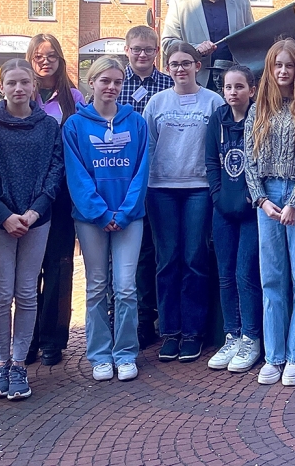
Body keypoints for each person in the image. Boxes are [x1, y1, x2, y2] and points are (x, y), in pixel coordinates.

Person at [0, 59, 64, 399]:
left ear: (33, 86)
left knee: (27, 293)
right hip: (0, 221)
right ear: (1, 85)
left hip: (36, 220)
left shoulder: (47, 126)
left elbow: (54, 171)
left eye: (24, 82)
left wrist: (33, 212)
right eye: (11, 82)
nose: (18, 88)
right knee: (2, 295)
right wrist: (4, 214)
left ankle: (18, 363)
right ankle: (1, 363)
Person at [64, 56, 150, 383]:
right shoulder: (75, 125)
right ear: (92, 82)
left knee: (126, 288)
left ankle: (125, 352)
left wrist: (124, 212)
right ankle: (100, 354)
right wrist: (100, 212)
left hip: (130, 217)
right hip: (91, 219)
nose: (111, 87)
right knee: (97, 286)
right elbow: (78, 175)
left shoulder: (136, 122)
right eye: (105, 81)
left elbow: (142, 171)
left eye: (117, 82)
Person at [244, 39, 295, 387]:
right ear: (269, 70)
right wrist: (261, 199)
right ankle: (274, 355)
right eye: (277, 65)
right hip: (267, 198)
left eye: (289, 66)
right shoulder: (257, 108)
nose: (283, 71)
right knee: (271, 278)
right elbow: (248, 158)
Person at [143, 42, 224, 363]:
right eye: (174, 64)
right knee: (167, 261)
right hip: (161, 189)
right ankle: (170, 332)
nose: (180, 69)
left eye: (186, 63)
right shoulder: (157, 102)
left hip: (198, 189)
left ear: (197, 66)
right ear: (168, 67)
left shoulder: (213, 101)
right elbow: (147, 148)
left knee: (194, 258)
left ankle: (192, 332)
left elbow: (221, 147)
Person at [24, 34, 84, 367]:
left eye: (52, 56)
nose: (45, 61)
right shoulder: (21, 93)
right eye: (38, 56)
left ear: (60, 60)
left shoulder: (73, 98)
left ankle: (53, 340)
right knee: (29, 270)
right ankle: (28, 338)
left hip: (61, 196)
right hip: (27, 196)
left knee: (59, 267)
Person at [117, 25, 174, 349]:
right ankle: (133, 319)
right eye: (136, 49)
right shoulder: (114, 81)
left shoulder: (168, 84)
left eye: (148, 49)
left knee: (156, 251)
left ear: (157, 52)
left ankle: (155, 318)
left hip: (159, 181)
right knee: (130, 255)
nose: (142, 54)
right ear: (127, 50)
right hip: (121, 182)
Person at [205, 65, 263, 373]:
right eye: (228, 87)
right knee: (225, 274)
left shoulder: (258, 118)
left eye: (239, 87)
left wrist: (251, 197)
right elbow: (211, 162)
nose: (233, 92)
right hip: (223, 211)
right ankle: (233, 334)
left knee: (245, 273)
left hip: (252, 211)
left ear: (251, 90)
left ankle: (251, 336)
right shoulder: (218, 119)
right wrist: (218, 198)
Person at [161, 0, 255, 92]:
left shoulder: (242, 4)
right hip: (195, 83)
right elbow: (168, 43)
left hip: (233, 88)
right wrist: (195, 49)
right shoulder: (179, 4)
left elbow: (252, 43)